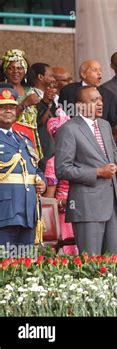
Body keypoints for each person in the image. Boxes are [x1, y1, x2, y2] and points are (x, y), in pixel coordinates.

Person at [55, 86, 117, 255]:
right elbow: (62, 169)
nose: (100, 103)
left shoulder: (105, 125)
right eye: (93, 101)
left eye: (100, 99)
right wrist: (98, 172)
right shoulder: (69, 129)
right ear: (80, 106)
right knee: (91, 263)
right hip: (87, 208)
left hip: (112, 208)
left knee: (114, 261)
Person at [0, 84, 46, 250]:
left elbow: (36, 168)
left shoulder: (24, 139)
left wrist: (43, 182)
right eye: (2, 107)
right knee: (4, 268)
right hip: (4, 212)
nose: (8, 111)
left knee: (24, 268)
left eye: (12, 107)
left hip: (27, 212)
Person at [43, 111, 78, 255]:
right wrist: (65, 203)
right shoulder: (53, 162)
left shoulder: (82, 157)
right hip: (65, 217)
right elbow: (48, 201)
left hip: (85, 212)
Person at [1, 49, 42, 159]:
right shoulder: (2, 91)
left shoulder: (33, 91)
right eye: (11, 68)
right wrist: (25, 103)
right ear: (5, 70)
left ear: (25, 71)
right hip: (8, 136)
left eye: (19, 68)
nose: (16, 72)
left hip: (30, 136)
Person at [58, 59, 117, 123]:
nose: (99, 73)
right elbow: (62, 116)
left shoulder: (108, 95)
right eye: (94, 70)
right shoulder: (67, 91)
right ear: (83, 74)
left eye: (100, 70)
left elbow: (112, 121)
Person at [28, 63, 58, 170]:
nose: (54, 79)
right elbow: (37, 121)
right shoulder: (29, 95)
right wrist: (45, 103)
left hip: (54, 151)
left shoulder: (55, 98)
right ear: (40, 77)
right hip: (40, 151)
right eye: (50, 76)